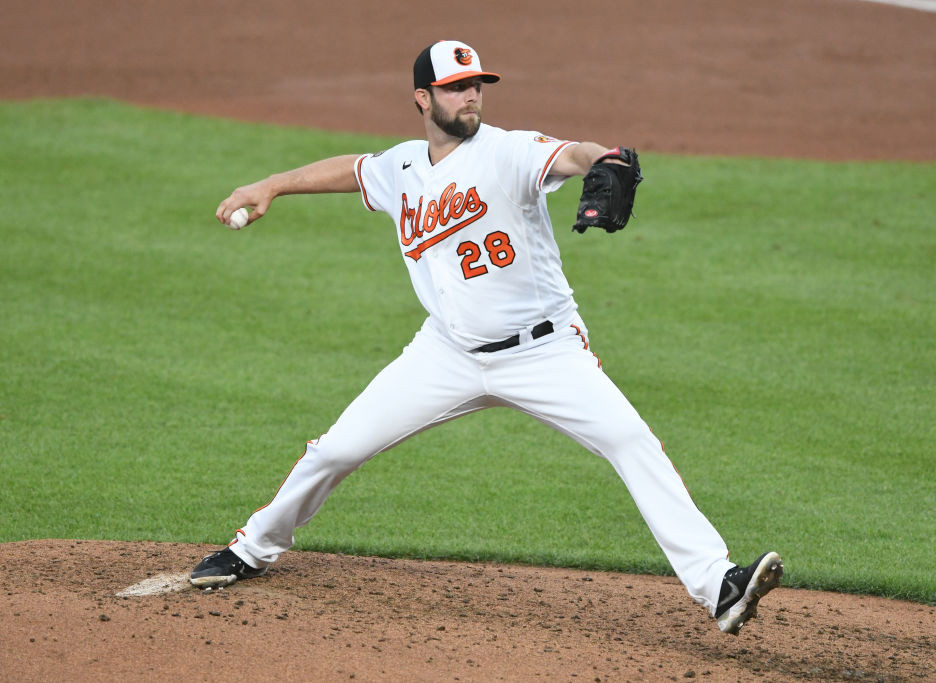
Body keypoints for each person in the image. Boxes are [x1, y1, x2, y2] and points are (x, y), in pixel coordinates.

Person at [190, 40, 783, 635]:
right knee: (336, 450)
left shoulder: (508, 152)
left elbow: (570, 156)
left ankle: (719, 585)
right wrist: (272, 184)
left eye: (476, 84)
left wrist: (600, 157)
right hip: (445, 353)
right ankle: (252, 549)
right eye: (454, 87)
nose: (470, 95)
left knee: (631, 441)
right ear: (423, 99)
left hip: (544, 352)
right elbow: (355, 168)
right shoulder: (403, 167)